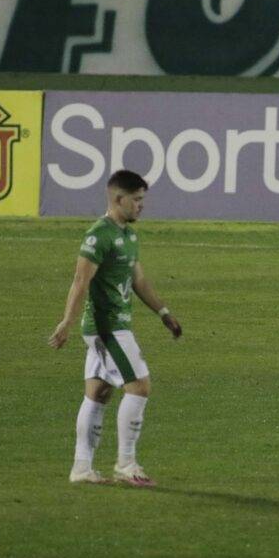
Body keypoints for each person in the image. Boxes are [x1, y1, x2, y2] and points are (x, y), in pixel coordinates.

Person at [49, 170, 182, 487]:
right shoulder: (99, 235)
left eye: (143, 200)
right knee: (140, 386)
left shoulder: (129, 235)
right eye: (136, 200)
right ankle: (126, 462)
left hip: (115, 325)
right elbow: (81, 281)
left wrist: (163, 313)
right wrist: (66, 321)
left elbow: (138, 281)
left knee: (98, 393)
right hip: (107, 327)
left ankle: (82, 468)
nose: (141, 206)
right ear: (118, 199)